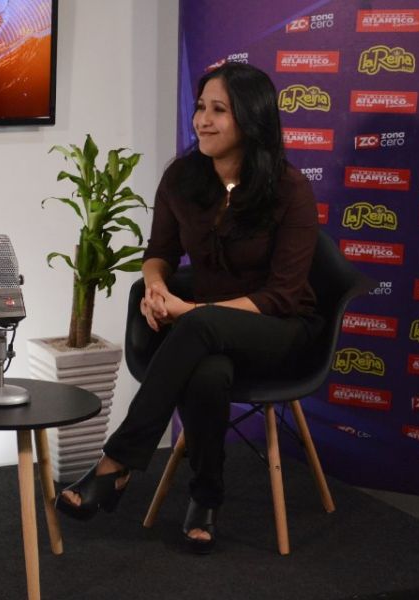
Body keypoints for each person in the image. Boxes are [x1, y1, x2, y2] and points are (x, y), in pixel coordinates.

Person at [55, 62, 323, 555]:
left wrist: (191, 310)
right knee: (207, 373)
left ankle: (115, 465)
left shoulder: (289, 189)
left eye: (219, 110)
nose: (203, 119)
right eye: (202, 107)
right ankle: (205, 500)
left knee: (201, 329)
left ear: (252, 119)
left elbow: (283, 294)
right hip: (200, 332)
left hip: (279, 331)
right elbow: (158, 252)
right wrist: (157, 289)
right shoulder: (182, 176)